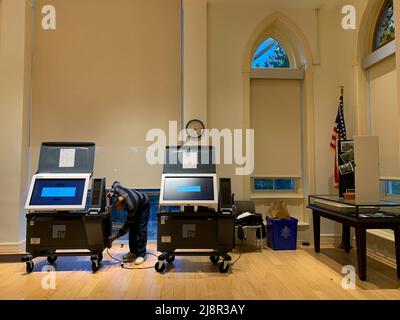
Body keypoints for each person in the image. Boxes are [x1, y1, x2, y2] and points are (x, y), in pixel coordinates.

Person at [107, 181, 150, 265]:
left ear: (123, 205)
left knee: (141, 229)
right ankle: (133, 252)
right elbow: (116, 182)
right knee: (133, 229)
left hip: (144, 205)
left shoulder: (131, 205)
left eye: (117, 207)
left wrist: (115, 236)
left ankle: (141, 255)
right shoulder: (117, 190)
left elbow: (128, 225)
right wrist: (111, 191)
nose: (116, 209)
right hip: (136, 201)